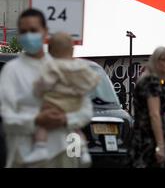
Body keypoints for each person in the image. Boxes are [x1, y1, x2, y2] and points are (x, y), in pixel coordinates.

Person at [0, 9, 93, 168]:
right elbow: (7, 117)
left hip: (63, 154)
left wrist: (65, 119)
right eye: (23, 31)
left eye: (34, 30)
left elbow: (85, 110)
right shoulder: (12, 71)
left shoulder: (63, 67)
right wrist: (37, 120)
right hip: (26, 156)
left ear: (45, 32)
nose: (28, 35)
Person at [25, 32, 100, 164]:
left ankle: (40, 148)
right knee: (75, 131)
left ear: (50, 50)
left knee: (44, 129)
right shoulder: (80, 67)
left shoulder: (49, 68)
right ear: (72, 50)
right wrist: (69, 117)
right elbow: (92, 83)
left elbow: (40, 87)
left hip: (52, 109)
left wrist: (62, 118)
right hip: (72, 108)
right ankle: (83, 152)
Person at [128, 46, 165, 168]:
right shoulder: (151, 82)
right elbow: (154, 115)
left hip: (142, 138)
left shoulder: (146, 78)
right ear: (156, 61)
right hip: (149, 140)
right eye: (164, 60)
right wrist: (160, 145)